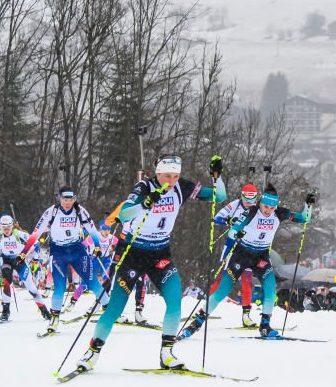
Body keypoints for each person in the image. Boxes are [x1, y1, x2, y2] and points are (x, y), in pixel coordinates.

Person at [75, 154, 226, 372]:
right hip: (133, 253)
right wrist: (144, 204)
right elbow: (124, 214)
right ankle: (91, 354)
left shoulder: (181, 187)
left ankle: (167, 354)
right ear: (157, 172)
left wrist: (217, 176)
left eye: (175, 176)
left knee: (175, 300)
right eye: (166, 176)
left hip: (160, 253)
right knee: (115, 308)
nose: (171, 181)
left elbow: (218, 197)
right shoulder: (144, 187)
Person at [179, 183, 312, 340]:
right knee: (222, 290)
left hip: (261, 256)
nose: (267, 210)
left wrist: (308, 205)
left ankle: (265, 326)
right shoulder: (251, 212)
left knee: (270, 288)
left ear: (275, 206)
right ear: (260, 202)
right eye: (265, 206)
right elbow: (233, 231)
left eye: (271, 207)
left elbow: (304, 219)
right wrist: (237, 233)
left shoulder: (280, 213)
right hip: (241, 255)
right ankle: (197, 322)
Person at [22, 187, 107, 334]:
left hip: (77, 250)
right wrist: (24, 252)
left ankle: (109, 310)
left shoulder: (80, 210)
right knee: (59, 287)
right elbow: (36, 232)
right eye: (64, 199)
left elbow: (92, 230)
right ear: (60, 199)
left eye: (70, 200)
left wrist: (97, 247)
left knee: (93, 282)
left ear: (74, 199)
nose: (67, 203)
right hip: (58, 252)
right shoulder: (52, 211)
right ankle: (54, 319)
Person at [214, 182, 260, 326]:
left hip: (248, 250)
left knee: (246, 281)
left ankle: (246, 316)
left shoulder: (259, 210)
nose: (249, 203)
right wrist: (228, 220)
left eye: (252, 200)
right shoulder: (235, 205)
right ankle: (203, 310)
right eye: (246, 200)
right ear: (241, 196)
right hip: (231, 247)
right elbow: (216, 218)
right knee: (220, 277)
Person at [0, 215, 50, 322]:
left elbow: (35, 243)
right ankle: (5, 311)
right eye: (3, 228)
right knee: (7, 283)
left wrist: (35, 259)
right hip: (6, 262)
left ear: (12, 226)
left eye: (8, 227)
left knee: (31, 287)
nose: (6, 230)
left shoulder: (19, 234)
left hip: (19, 261)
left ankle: (44, 311)